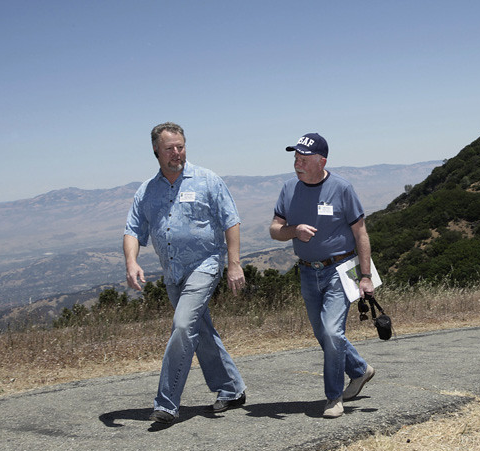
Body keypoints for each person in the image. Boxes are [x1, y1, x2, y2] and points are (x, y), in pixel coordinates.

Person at [124, 122, 247, 424]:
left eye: (180, 146)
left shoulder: (207, 180)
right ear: (156, 150)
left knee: (182, 326)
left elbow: (231, 221)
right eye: (169, 148)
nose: (176, 152)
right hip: (173, 274)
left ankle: (166, 402)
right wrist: (131, 262)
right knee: (200, 331)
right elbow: (131, 230)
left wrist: (233, 264)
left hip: (205, 266)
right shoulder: (147, 191)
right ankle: (231, 388)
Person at [270, 132, 376, 419]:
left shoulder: (342, 188)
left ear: (321, 161)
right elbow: (274, 230)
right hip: (307, 272)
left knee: (331, 331)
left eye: (303, 159)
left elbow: (360, 232)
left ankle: (333, 397)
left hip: (340, 270)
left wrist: (365, 276)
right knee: (323, 333)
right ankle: (359, 369)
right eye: (295, 158)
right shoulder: (289, 188)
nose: (297, 163)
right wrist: (295, 231)